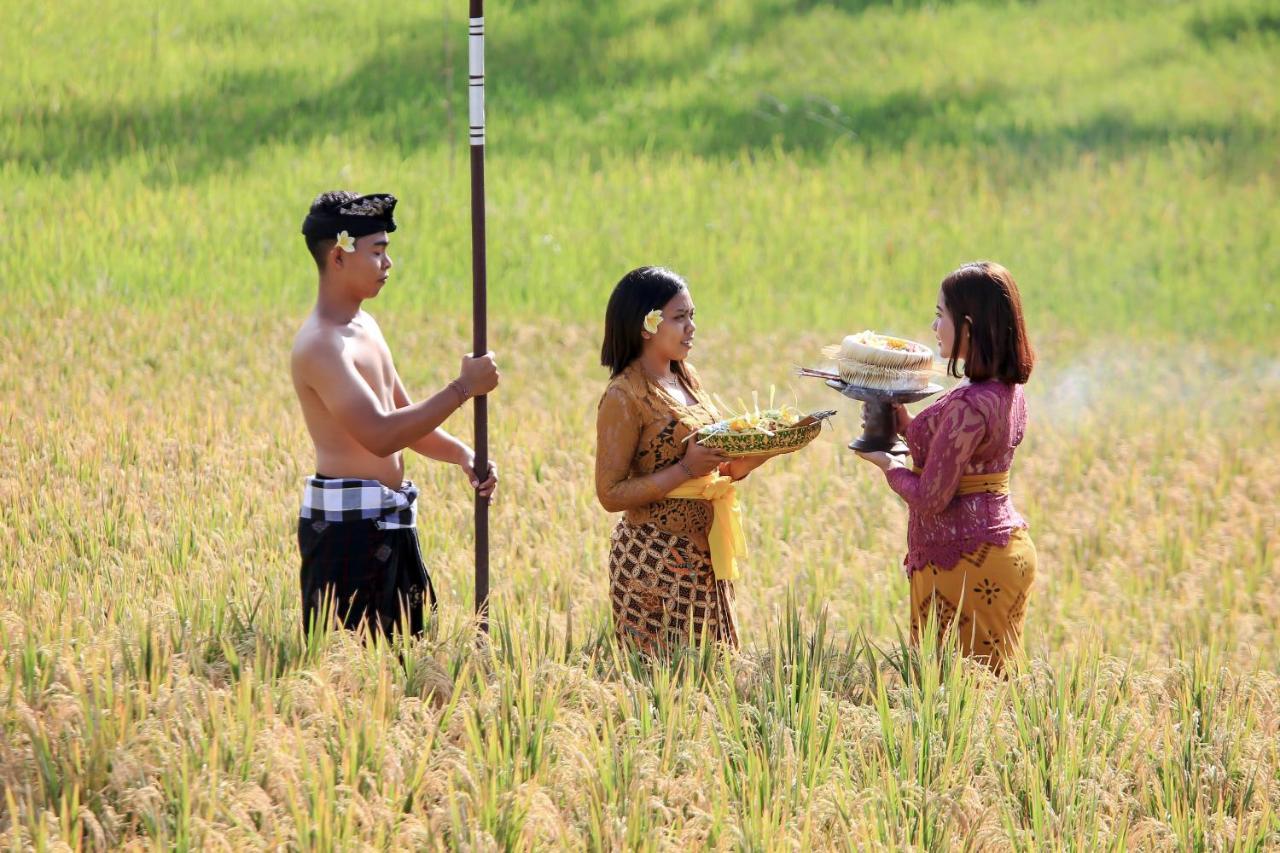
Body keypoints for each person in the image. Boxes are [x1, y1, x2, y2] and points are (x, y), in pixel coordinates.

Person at [290, 190, 499, 639]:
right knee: (354, 681)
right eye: (378, 252)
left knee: (405, 659)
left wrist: (463, 454)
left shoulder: (366, 326)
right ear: (339, 256)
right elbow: (381, 435)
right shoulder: (321, 345)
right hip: (347, 534)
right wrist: (464, 387)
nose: (388, 264)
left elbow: (405, 420)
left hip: (390, 524)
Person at [855, 261, 1036, 673]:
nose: (934, 327)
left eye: (941, 316)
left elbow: (933, 497)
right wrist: (899, 419)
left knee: (959, 697)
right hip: (1004, 550)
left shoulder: (968, 404)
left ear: (968, 326)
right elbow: (956, 454)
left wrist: (887, 465)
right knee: (996, 690)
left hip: (967, 562)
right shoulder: (1004, 391)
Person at [594, 266, 772, 653]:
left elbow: (723, 468)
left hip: (706, 552)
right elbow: (609, 494)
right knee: (668, 693)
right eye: (679, 318)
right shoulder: (624, 396)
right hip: (654, 562)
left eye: (692, 316)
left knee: (716, 679)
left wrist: (767, 447)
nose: (691, 327)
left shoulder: (686, 378)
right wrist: (685, 470)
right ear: (647, 326)